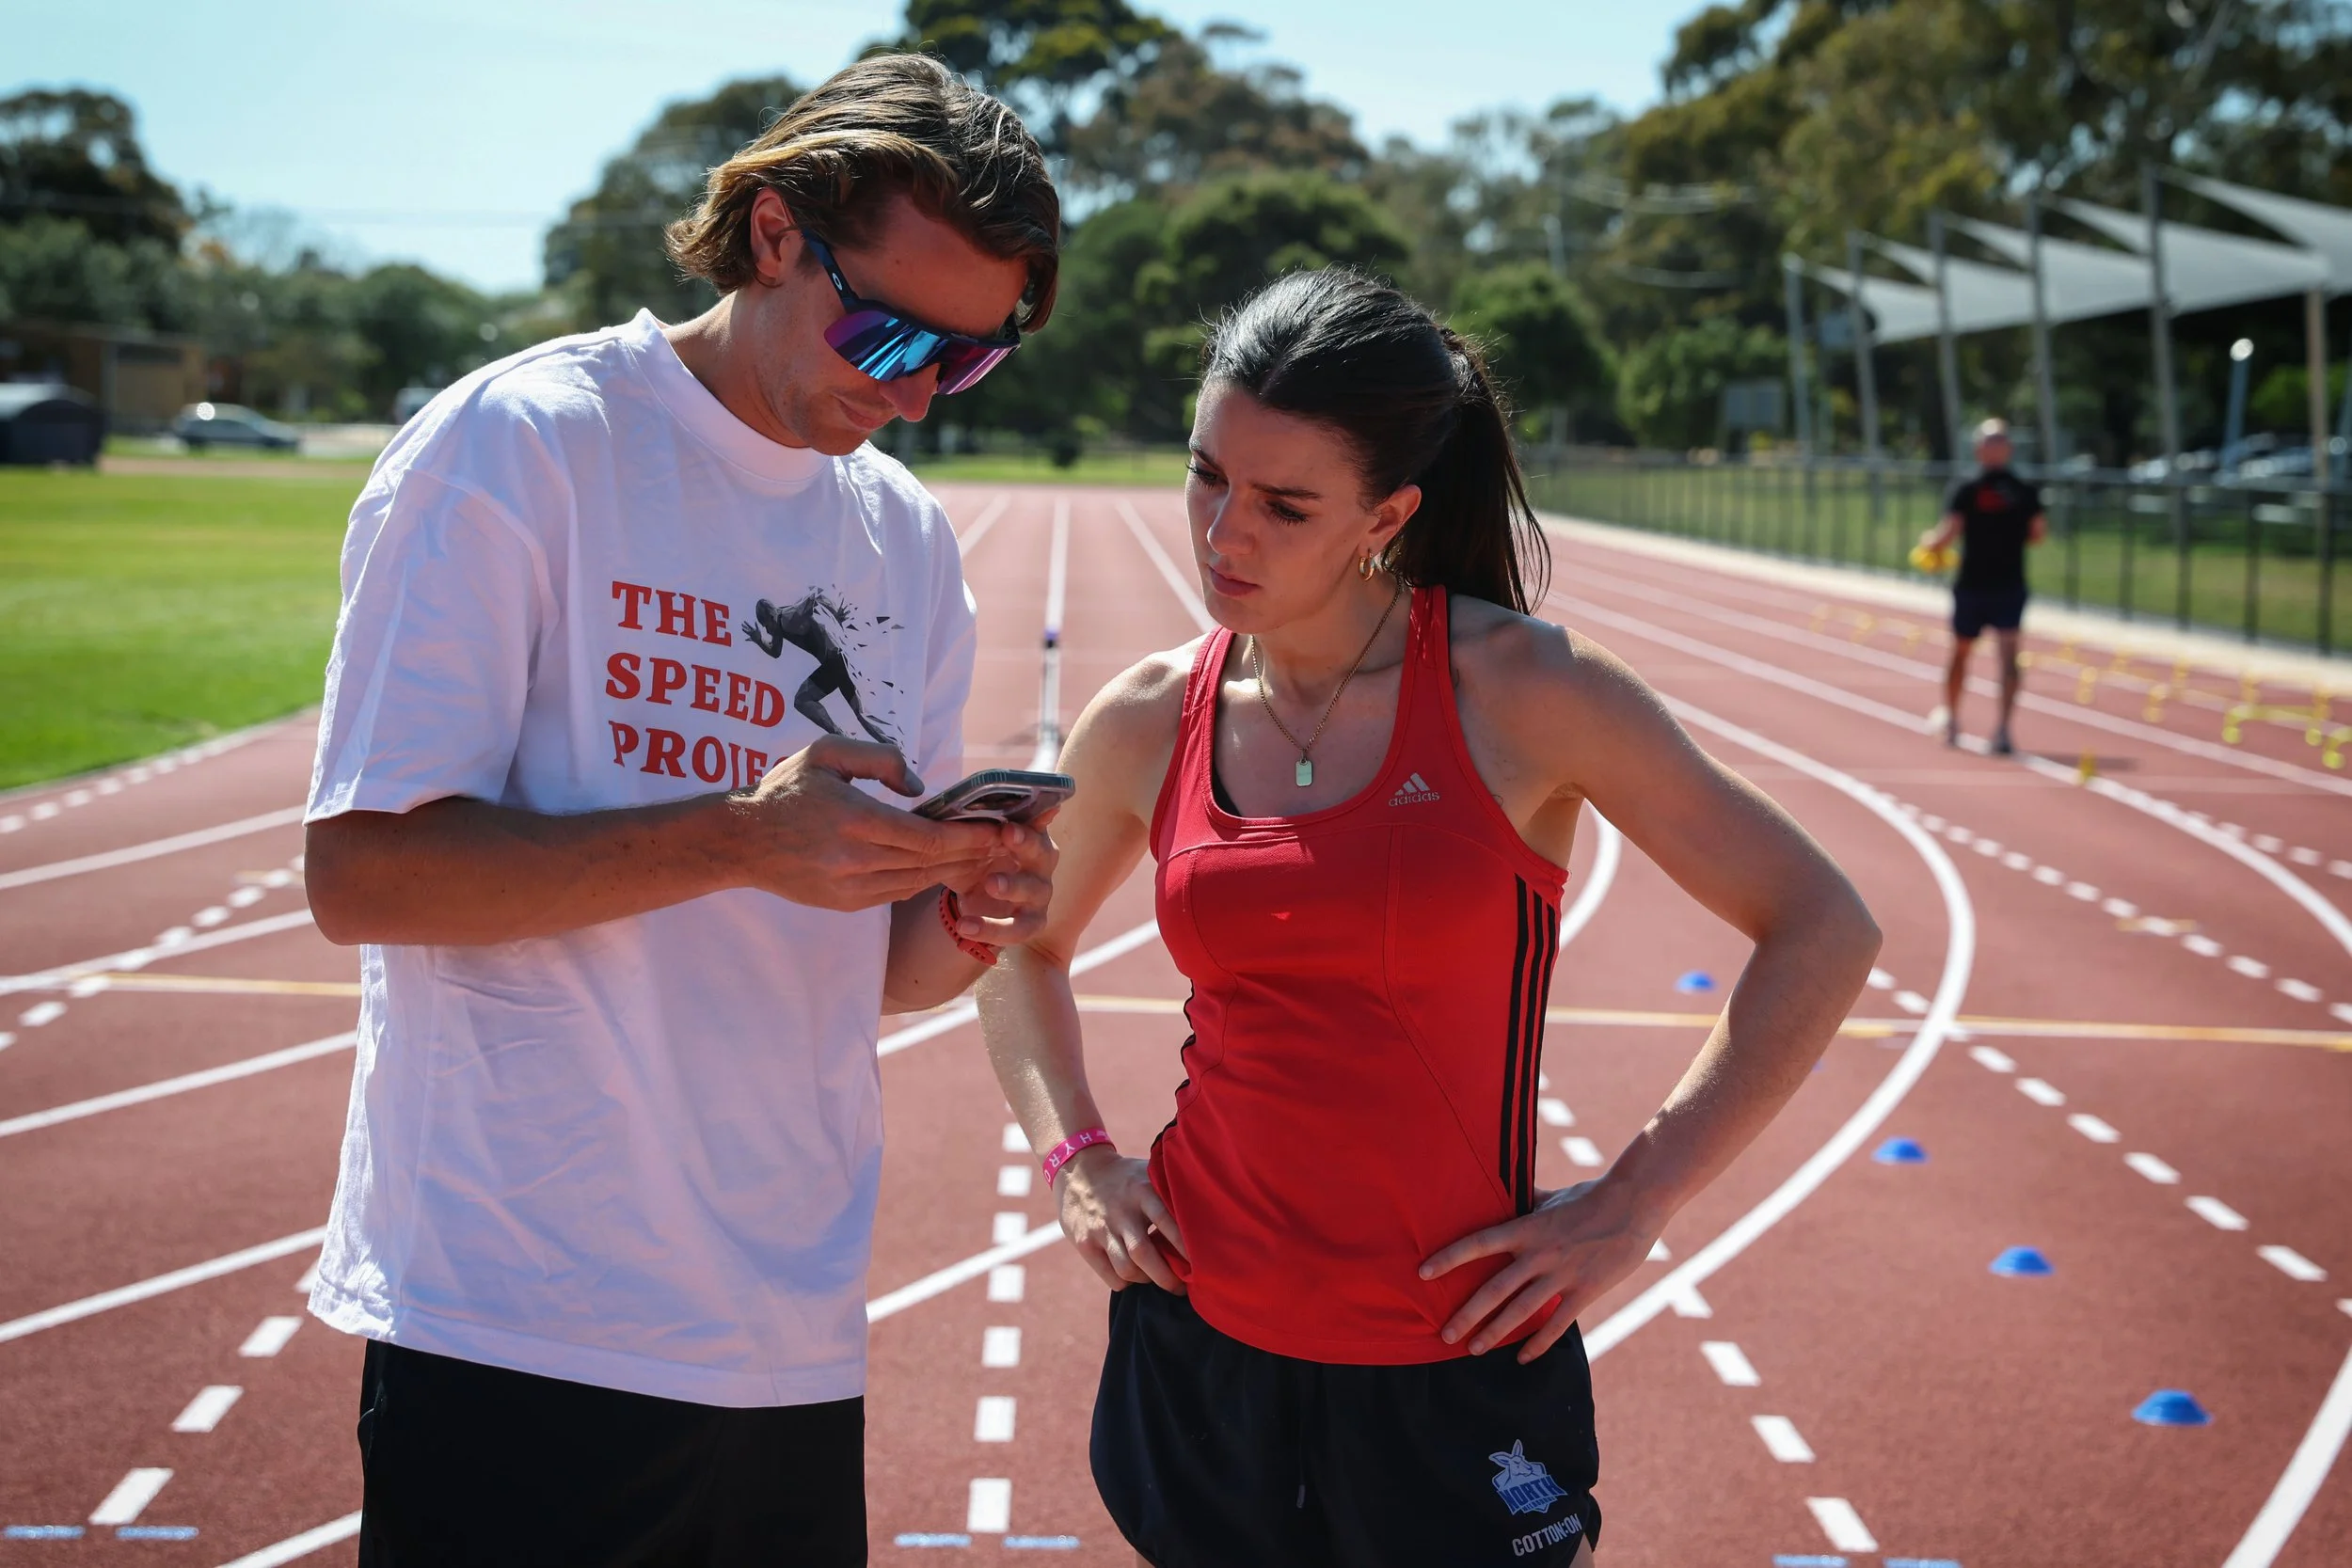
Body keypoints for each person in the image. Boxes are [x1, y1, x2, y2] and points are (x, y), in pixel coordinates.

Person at [976, 269, 1883, 1568]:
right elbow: (1020, 941)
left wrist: (1637, 1199)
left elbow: (1822, 921)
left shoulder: (1527, 689)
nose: (1223, 530)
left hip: (1453, 1356)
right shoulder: (1147, 714)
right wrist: (1077, 1161)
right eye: (1204, 474)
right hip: (1200, 1336)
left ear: (1386, 512)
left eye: (1285, 503)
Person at [299, 55, 1061, 1567]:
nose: (914, 389)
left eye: (966, 361)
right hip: (518, 1319)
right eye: (893, 330)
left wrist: (960, 908)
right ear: (777, 232)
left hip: (785, 1329)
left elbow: (871, 963)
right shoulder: (521, 444)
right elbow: (362, 874)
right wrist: (736, 832)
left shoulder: (902, 535)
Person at [1918, 418, 2048, 754]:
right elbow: (2037, 535)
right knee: (1972, 653)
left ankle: (1992, 727)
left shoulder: (1991, 488)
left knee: (1987, 654)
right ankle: (1967, 720)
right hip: (1985, 583)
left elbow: (1947, 534)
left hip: (1993, 584)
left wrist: (1928, 545)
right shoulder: (2004, 489)